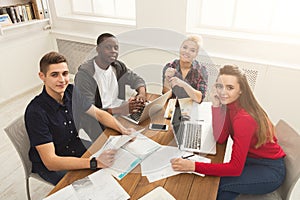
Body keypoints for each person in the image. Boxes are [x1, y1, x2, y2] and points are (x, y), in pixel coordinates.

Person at [171, 65, 286, 199]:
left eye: (230, 87)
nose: (223, 92)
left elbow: (235, 168)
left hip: (269, 170)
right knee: (218, 187)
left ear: (241, 90)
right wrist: (216, 106)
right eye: (220, 86)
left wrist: (193, 166)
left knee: (215, 185)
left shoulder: (244, 118)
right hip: (252, 160)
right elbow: (220, 138)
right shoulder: (231, 106)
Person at [25, 52, 135, 185]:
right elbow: (51, 162)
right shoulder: (35, 112)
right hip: (54, 166)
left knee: (118, 172)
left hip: (76, 151)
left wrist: (123, 130)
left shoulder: (71, 91)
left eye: (65, 73)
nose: (62, 80)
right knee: (98, 186)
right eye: (54, 75)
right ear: (42, 76)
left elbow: (99, 114)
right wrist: (94, 162)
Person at [75, 33, 147, 141]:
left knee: (145, 130)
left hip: (118, 114)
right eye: (108, 47)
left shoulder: (117, 66)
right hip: (97, 122)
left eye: (116, 48)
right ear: (98, 49)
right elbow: (90, 110)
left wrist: (141, 94)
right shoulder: (84, 75)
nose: (113, 51)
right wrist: (120, 110)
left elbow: (137, 80)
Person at [162, 35, 208, 103]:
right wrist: (166, 79)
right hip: (173, 107)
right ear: (180, 48)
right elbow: (166, 96)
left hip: (191, 107)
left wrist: (183, 84)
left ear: (196, 54)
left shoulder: (201, 70)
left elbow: (199, 99)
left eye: (192, 50)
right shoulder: (169, 66)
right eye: (184, 47)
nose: (187, 52)